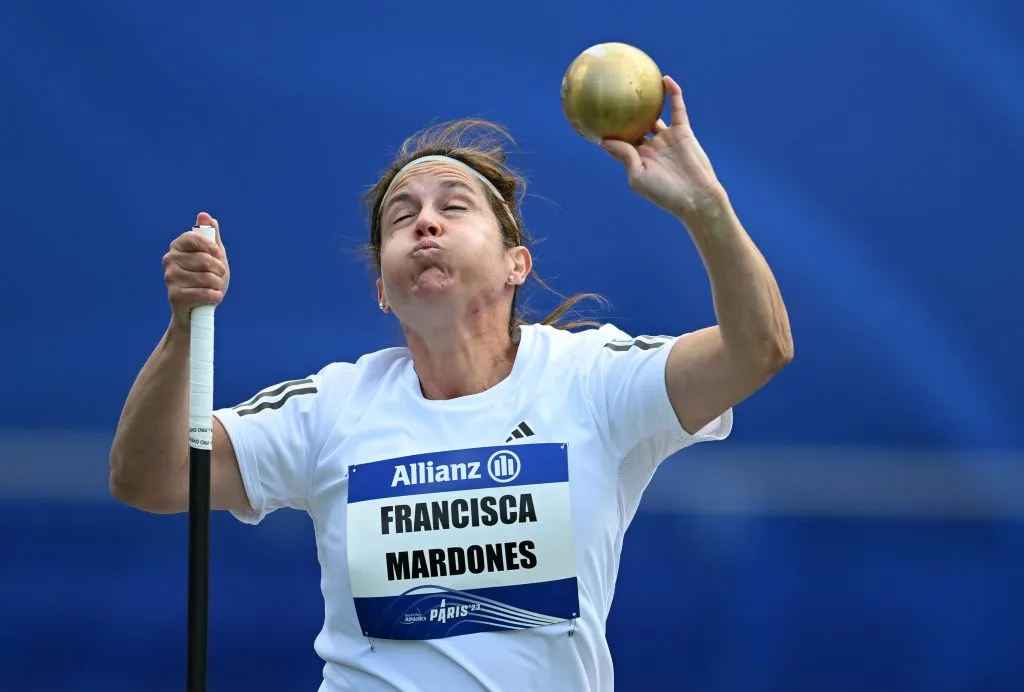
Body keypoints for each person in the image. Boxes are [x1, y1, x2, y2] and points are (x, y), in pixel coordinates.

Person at [109, 75, 793, 691]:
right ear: (383, 289)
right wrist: (182, 327)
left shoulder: (592, 379)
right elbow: (150, 476)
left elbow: (759, 349)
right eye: (401, 218)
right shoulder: (332, 406)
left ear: (515, 264)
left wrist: (707, 208)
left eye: (454, 207)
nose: (425, 222)